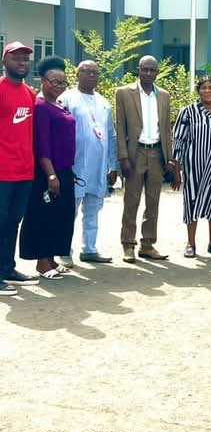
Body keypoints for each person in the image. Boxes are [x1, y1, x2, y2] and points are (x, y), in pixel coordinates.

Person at [115, 55, 178, 263]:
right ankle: (128, 245)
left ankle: (148, 244)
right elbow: (120, 126)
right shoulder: (124, 93)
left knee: (153, 202)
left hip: (157, 153)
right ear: (138, 70)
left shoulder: (164, 95)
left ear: (157, 72)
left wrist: (170, 158)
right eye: (145, 70)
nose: (148, 73)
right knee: (131, 201)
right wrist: (123, 157)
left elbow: (167, 129)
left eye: (152, 70)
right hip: (136, 153)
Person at [19, 56, 76, 279]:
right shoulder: (41, 106)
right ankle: (42, 263)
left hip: (65, 169)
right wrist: (51, 175)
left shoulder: (59, 104)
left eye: (63, 83)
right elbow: (42, 145)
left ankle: (52, 259)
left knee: (61, 216)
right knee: (45, 216)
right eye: (54, 82)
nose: (59, 86)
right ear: (43, 81)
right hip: (48, 171)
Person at [60, 60, 118, 265]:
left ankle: (90, 249)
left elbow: (111, 135)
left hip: (98, 166)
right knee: (70, 210)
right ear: (77, 74)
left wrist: (113, 164)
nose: (91, 75)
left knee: (93, 209)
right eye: (86, 72)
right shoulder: (66, 98)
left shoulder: (104, 102)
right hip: (74, 165)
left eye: (95, 72)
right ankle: (64, 250)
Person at [171, 75, 211, 258]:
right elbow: (179, 140)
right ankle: (190, 243)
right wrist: (176, 168)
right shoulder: (188, 112)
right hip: (193, 168)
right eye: (204, 88)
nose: (207, 91)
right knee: (191, 202)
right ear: (198, 91)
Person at [0, 41, 38, 295]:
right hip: (2, 171)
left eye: (25, 59)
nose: (22, 63)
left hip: (25, 171)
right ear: (5, 62)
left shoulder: (30, 94)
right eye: (17, 59)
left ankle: (7, 268)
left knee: (13, 221)